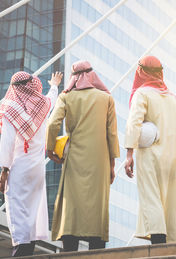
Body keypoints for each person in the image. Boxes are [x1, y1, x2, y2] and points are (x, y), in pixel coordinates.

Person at [46, 61, 119, 251]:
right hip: (100, 160)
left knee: (71, 203)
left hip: (74, 157)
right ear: (92, 75)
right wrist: (112, 165)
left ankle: (70, 249)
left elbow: (53, 124)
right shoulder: (106, 98)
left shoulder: (66, 97)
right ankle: (97, 248)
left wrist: (50, 149)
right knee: (97, 204)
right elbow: (111, 134)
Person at [0, 71, 62, 257]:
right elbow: (51, 97)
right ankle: (27, 250)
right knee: (32, 213)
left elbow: (8, 143)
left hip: (18, 168)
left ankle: (20, 251)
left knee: (17, 213)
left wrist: (4, 172)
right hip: (37, 170)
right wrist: (55, 84)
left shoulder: (11, 109)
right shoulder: (42, 105)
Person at [124, 55, 176, 244]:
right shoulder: (172, 98)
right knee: (169, 200)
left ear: (141, 71)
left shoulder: (143, 93)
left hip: (150, 155)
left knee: (151, 196)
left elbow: (134, 123)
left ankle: (158, 241)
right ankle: (169, 239)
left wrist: (129, 154)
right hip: (171, 156)